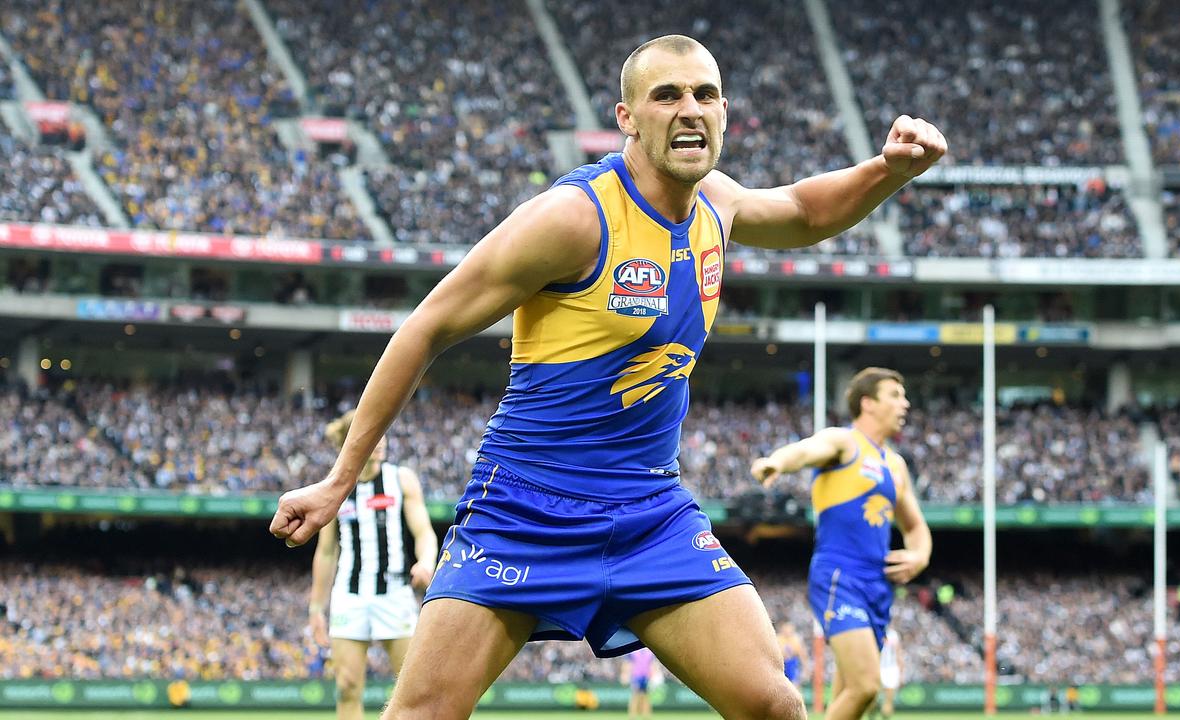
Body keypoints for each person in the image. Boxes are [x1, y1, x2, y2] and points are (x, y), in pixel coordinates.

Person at [270, 34, 946, 719]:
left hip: (651, 512)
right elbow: (427, 326)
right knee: (424, 714)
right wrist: (340, 478)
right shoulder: (574, 218)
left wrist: (889, 170)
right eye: (667, 95)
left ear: (724, 112)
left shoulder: (718, 203)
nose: (690, 110)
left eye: (705, 95)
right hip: (525, 508)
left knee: (775, 704)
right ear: (626, 117)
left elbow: (804, 212)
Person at [751, 368, 933, 720]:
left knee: (856, 697)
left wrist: (920, 556)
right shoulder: (845, 442)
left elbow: (915, 527)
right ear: (868, 403)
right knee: (866, 686)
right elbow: (806, 450)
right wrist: (777, 462)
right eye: (895, 395)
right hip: (840, 574)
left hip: (878, 586)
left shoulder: (895, 465)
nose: (905, 403)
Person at [307, 411, 437, 720]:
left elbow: (423, 532)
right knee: (347, 686)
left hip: (394, 593)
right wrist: (315, 608)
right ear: (355, 442)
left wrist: (426, 561)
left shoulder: (401, 479)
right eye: (373, 436)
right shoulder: (335, 488)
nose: (380, 443)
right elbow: (326, 552)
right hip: (350, 595)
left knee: (413, 689)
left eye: (383, 435)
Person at [877, 625, 904, 720]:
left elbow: (898, 653)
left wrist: (901, 674)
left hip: (891, 669)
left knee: (888, 700)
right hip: (879, 667)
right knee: (873, 701)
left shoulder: (893, 634)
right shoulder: (874, 631)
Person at [622, 646, 658, 719]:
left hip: (646, 676)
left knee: (645, 696)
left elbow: (652, 664)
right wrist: (625, 674)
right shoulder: (632, 651)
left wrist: (653, 675)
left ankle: (646, 714)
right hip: (636, 676)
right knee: (635, 696)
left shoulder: (649, 651)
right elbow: (627, 663)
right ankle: (632, 715)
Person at [777, 621, 808, 690]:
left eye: (790, 629)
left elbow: (803, 655)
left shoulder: (796, 639)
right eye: (786, 628)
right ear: (782, 629)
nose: (788, 631)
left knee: (795, 686)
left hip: (792, 665)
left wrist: (805, 669)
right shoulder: (778, 639)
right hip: (781, 664)